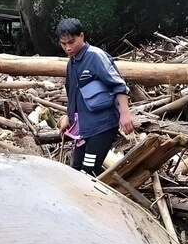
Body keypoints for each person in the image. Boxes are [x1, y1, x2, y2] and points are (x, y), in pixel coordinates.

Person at [56, 18, 135, 176]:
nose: (68, 47)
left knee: (89, 169)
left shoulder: (95, 56)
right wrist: (68, 118)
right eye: (64, 44)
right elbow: (73, 94)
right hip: (83, 128)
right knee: (76, 169)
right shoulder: (71, 63)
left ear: (82, 36)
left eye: (71, 42)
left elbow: (119, 85)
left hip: (102, 124)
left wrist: (125, 114)